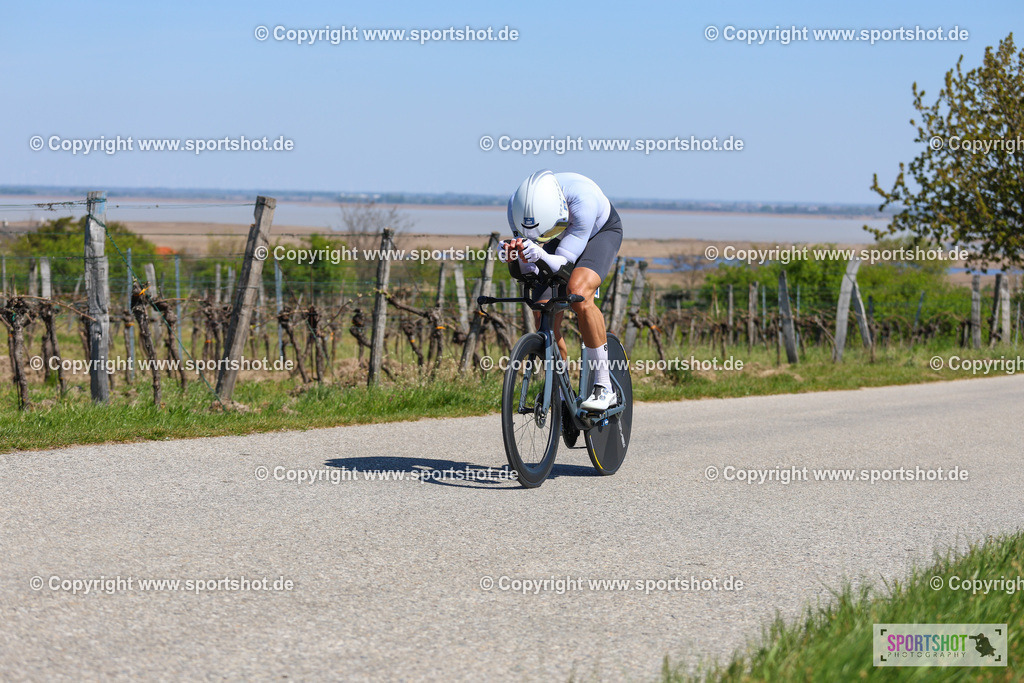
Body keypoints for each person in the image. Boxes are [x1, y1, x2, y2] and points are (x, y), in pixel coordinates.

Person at [497, 170, 623, 412]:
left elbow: (564, 265)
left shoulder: (582, 200)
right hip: (555, 233)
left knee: (579, 293)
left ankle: (604, 387)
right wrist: (513, 255)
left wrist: (542, 254)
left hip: (598, 232)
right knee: (542, 308)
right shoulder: (516, 206)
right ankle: (562, 392)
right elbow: (528, 264)